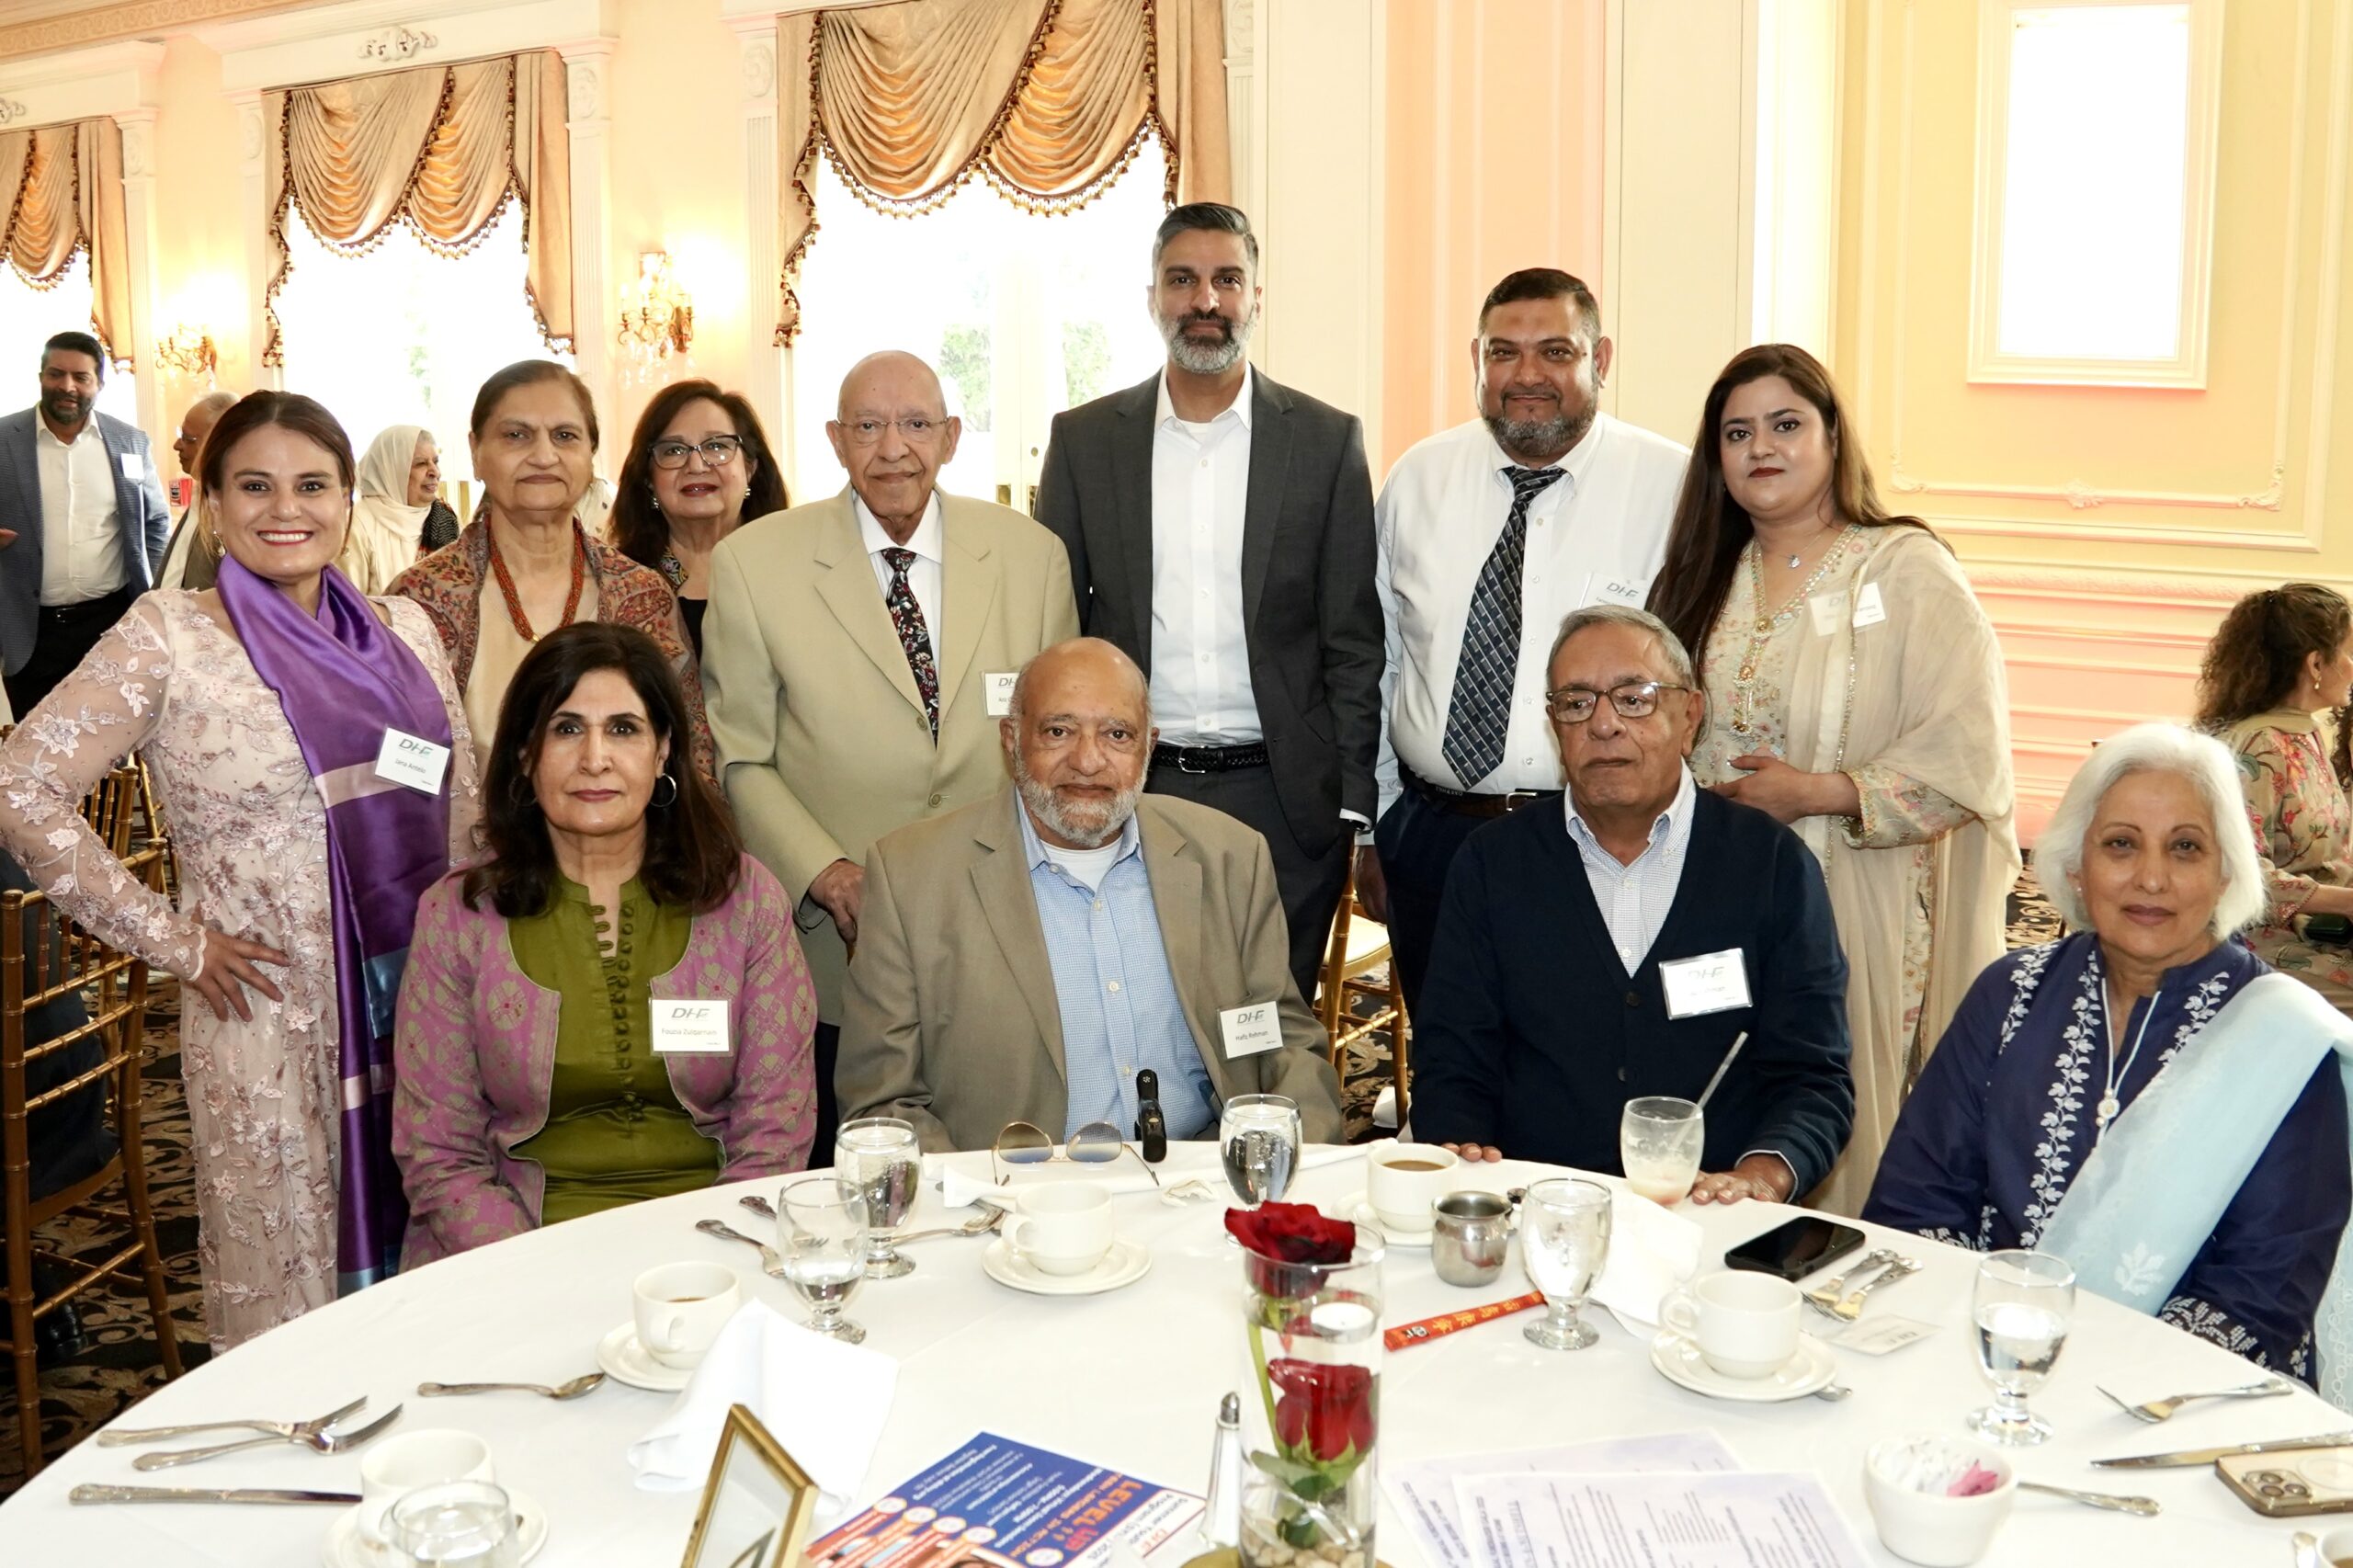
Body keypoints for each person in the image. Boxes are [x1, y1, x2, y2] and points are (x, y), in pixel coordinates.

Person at [0, 391, 481, 1349]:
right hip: (264, 1010)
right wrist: (172, 941)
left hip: (418, 999)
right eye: (254, 486)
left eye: (312, 485)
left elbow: (462, 803)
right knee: (293, 1287)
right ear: (213, 505)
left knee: (438, 1255)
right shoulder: (170, 635)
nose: (285, 508)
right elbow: (21, 785)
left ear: (348, 501)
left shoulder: (406, 631)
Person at [1646, 343, 2018, 1216]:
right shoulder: (1701, 577)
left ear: (1832, 436)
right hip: (1713, 890)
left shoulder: (1901, 566)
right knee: (1712, 1075)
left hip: (1853, 889)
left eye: (1785, 424)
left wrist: (1818, 792)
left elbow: (1970, 752)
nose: (1761, 448)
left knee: (1827, 1088)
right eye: (1738, 432)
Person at [1867, 723, 2352, 1390]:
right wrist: (1989, 1347)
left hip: (2184, 1400)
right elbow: (1917, 1201)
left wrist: (2097, 1386)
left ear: (2225, 874)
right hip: (1989, 1364)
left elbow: (2265, 1283)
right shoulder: (2010, 995)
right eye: (2121, 844)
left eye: (2185, 848)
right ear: (2076, 864)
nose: (2151, 878)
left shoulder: (2283, 1038)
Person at [703, 350, 1077, 1156]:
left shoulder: (1032, 556)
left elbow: (1058, 741)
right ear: (836, 440)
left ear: (951, 436)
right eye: (868, 426)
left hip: (1005, 926)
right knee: (852, 1162)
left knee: (1005, 1155)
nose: (893, 448)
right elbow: (740, 758)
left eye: (915, 424)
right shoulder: (756, 564)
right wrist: (830, 875)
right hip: (839, 945)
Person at [1035, 204, 1381, 1004]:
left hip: (1284, 800)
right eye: (1182, 280)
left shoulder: (1325, 442)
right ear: (1152, 297)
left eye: (1227, 279)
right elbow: (1059, 633)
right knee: (1138, 1003)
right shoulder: (1086, 441)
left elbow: (1353, 641)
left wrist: (1353, 804)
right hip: (1131, 785)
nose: (1205, 300)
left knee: (1269, 1017)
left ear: (1257, 295)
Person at [393, 624, 817, 1260]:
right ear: (525, 754)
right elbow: (439, 1151)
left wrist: (708, 1266)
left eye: (624, 729)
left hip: (719, 1245)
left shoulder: (745, 900)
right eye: (566, 729)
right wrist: (539, 1273)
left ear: (663, 751)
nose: (595, 758)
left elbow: (776, 1130)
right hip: (518, 1254)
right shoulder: (459, 915)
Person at [1408, 607, 1854, 1201]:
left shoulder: (1772, 865)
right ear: (1555, 726)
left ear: (1689, 716)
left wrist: (1761, 1176)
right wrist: (1466, 1157)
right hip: (1538, 1205)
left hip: (1710, 1212)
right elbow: (1452, 1059)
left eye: (1634, 699)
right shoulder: (1494, 862)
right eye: (1576, 703)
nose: (1604, 724)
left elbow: (1813, 1077)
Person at [838, 638, 1343, 1152]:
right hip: (1010, 1185)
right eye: (1058, 731)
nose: (1087, 760)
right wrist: (975, 1195)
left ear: (1149, 747)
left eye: (1117, 735)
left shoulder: (1229, 856)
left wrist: (1295, 1164)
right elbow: (884, 1104)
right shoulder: (911, 878)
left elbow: (1283, 1042)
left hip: (1200, 1171)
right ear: (1012, 740)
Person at [1363, 270, 1689, 1016]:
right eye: (1504, 353)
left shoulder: (1672, 487)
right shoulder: (1418, 479)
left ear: (1600, 359)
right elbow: (1379, 660)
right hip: (1433, 836)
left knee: (1588, 1048)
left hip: (1599, 836)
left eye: (1556, 352)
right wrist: (1377, 826)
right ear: (1475, 360)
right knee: (1450, 1046)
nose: (1527, 375)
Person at [391, 360, 713, 778]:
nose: (544, 456)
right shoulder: (420, 599)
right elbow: (400, 769)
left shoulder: (642, 595)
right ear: (475, 452)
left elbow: (690, 757)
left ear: (590, 454)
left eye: (564, 436)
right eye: (516, 435)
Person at [2197, 585, 2353, 1016]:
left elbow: (2326, 853)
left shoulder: (2304, 733)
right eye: (2349, 653)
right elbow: (2236, 871)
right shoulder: (2260, 745)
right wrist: (2344, 902)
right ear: (2316, 664)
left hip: (2321, 928)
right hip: (2265, 941)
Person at [0, 331, 172, 716]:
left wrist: (152, 592)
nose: (67, 387)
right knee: (37, 742)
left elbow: (156, 522)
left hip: (112, 624)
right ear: (41, 376)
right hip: (31, 632)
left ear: (99, 384)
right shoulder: (3, 441)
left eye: (81, 377)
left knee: (116, 738)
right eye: (56, 374)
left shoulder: (130, 442)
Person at [608, 379, 790, 657]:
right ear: (648, 479)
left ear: (750, 468)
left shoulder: (793, 567)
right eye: (674, 450)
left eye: (716, 446)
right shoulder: (620, 583)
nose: (696, 466)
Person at [338, 425, 445, 595]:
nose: (435, 472)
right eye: (421, 464)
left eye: (436, 462)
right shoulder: (357, 525)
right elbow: (348, 603)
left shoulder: (444, 519)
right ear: (392, 470)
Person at [159, 388, 237, 592]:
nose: (177, 445)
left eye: (188, 438)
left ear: (217, 443)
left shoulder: (234, 510)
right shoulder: (201, 494)